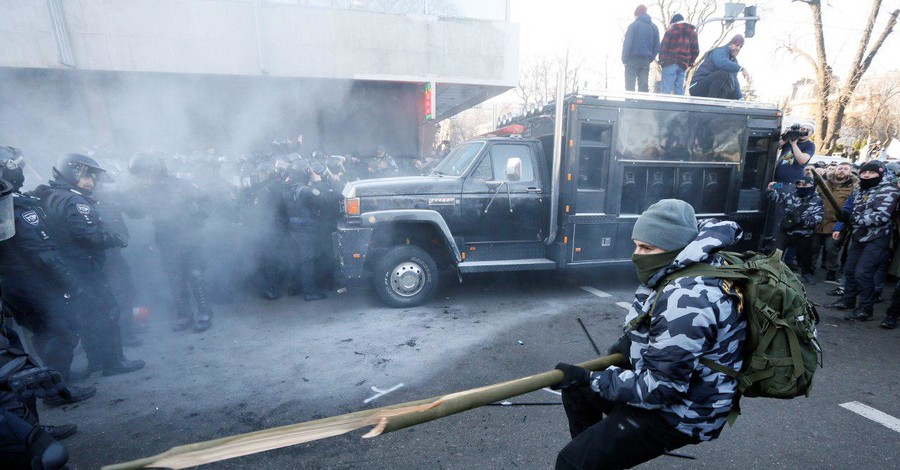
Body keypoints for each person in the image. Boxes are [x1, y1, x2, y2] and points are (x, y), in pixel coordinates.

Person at [552, 199, 745, 469]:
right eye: (636, 245)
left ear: (676, 246)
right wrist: (628, 346)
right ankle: (598, 456)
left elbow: (664, 389)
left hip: (684, 412)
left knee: (572, 462)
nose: (637, 255)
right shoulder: (684, 265)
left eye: (646, 247)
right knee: (578, 392)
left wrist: (593, 378)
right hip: (673, 388)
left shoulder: (686, 298)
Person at [40, 153, 145, 378]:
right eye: (87, 177)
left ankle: (96, 361)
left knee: (87, 315)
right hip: (86, 267)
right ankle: (114, 363)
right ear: (72, 174)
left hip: (71, 267)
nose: (92, 183)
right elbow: (88, 235)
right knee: (107, 311)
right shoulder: (74, 200)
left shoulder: (52, 195)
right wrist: (116, 238)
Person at [127, 153, 214, 332]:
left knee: (195, 275)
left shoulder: (181, 184)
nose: (144, 176)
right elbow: (137, 213)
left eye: (146, 172)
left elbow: (205, 198)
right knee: (175, 279)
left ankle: (205, 313)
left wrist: (200, 217)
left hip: (191, 238)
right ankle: (184, 315)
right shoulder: (144, 191)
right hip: (167, 241)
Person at [826, 160, 900, 321]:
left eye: (871, 172)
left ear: (880, 173)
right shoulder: (860, 188)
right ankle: (848, 300)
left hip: (877, 238)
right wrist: (841, 222)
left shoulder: (889, 190)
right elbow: (848, 208)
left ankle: (866, 309)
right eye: (864, 172)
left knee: (863, 274)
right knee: (850, 269)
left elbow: (880, 216)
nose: (866, 175)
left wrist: (852, 218)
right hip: (858, 235)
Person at [767, 177, 824, 284]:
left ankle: (806, 273)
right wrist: (771, 190)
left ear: (811, 186)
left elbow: (819, 218)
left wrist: (802, 220)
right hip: (787, 231)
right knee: (776, 252)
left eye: (805, 185)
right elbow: (777, 198)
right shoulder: (791, 195)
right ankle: (770, 273)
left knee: (806, 256)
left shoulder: (817, 200)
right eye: (799, 185)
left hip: (804, 233)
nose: (801, 187)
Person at [284, 160, 327, 301]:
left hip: (293, 227)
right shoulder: (306, 191)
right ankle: (309, 292)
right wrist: (318, 182)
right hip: (305, 229)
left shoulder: (288, 188)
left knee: (293, 259)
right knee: (307, 261)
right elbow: (324, 199)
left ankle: (292, 288)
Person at [813, 162, 857, 281]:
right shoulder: (824, 184)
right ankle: (810, 267)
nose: (842, 170)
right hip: (819, 220)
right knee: (814, 247)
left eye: (845, 169)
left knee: (831, 247)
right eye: (840, 168)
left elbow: (850, 207)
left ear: (850, 171)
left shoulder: (853, 187)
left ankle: (831, 270)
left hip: (836, 222)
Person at [689, 35, 750, 100]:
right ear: (731, 43)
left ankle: (723, 103)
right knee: (723, 73)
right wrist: (741, 69)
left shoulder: (734, 61)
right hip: (697, 87)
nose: (738, 48)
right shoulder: (719, 51)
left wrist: (740, 98)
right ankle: (712, 102)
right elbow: (721, 63)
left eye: (740, 47)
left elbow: (734, 80)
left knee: (730, 82)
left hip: (710, 90)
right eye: (737, 45)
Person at [621, 5, 660, 93]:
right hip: (645, 61)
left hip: (631, 60)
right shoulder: (654, 27)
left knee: (629, 88)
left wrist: (624, 59)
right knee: (643, 87)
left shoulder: (633, 26)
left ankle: (629, 105)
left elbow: (627, 44)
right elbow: (657, 46)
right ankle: (642, 105)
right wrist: (650, 58)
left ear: (637, 15)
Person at [658, 14, 699, 95]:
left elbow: (663, 48)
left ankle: (664, 107)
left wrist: (662, 62)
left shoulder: (671, 32)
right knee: (679, 89)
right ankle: (679, 107)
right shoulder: (692, 33)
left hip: (670, 62)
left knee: (666, 89)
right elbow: (696, 51)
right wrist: (690, 62)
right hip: (683, 64)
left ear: (673, 23)